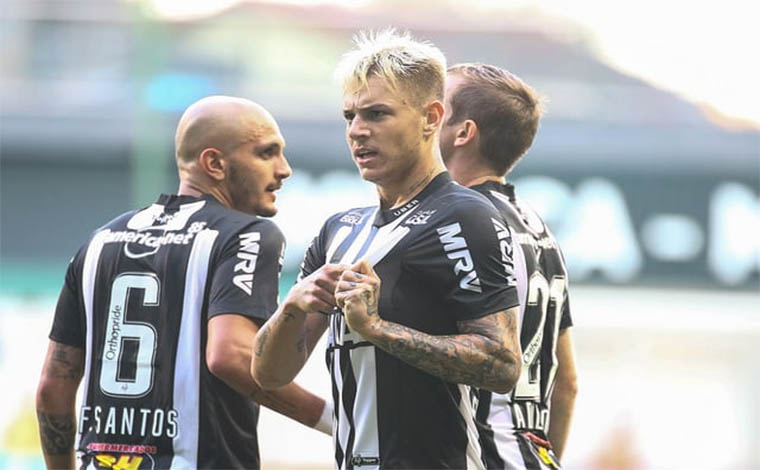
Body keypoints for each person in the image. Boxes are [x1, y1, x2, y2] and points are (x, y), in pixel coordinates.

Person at [252, 30, 522, 470]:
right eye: (350, 116)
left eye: (377, 114)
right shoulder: (339, 229)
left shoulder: (464, 215)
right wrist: (293, 308)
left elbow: (502, 362)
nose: (358, 131)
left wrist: (378, 329)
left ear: (431, 117)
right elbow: (269, 375)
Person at [35, 96, 332, 470]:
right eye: (266, 153)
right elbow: (231, 356)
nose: (284, 169)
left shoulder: (99, 242)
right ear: (214, 164)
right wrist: (337, 421)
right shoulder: (248, 235)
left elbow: (53, 385)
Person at [439, 63, 579, 469]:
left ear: (463, 133)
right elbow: (566, 384)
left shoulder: (458, 221)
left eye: (435, 108)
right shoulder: (540, 229)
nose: (422, 116)